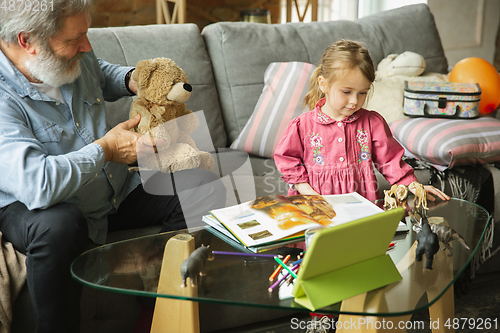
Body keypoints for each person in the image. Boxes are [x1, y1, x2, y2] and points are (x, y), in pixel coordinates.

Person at [0, 2, 225, 332]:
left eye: (86, 33)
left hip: (111, 188)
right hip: (38, 205)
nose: (86, 45)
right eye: (75, 38)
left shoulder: (73, 54)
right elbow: (38, 184)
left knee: (202, 184)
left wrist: (134, 80)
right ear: (27, 41)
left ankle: (158, 313)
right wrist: (106, 149)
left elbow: (98, 70)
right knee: (58, 227)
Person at [274, 40, 449, 333]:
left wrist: (413, 186)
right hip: (316, 211)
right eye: (346, 92)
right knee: (321, 271)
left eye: (363, 93)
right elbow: (286, 159)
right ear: (324, 83)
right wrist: (308, 192)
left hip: (359, 210)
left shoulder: (372, 123)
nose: (355, 101)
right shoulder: (303, 125)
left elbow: (392, 161)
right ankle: (321, 321)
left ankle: (354, 320)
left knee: (356, 268)